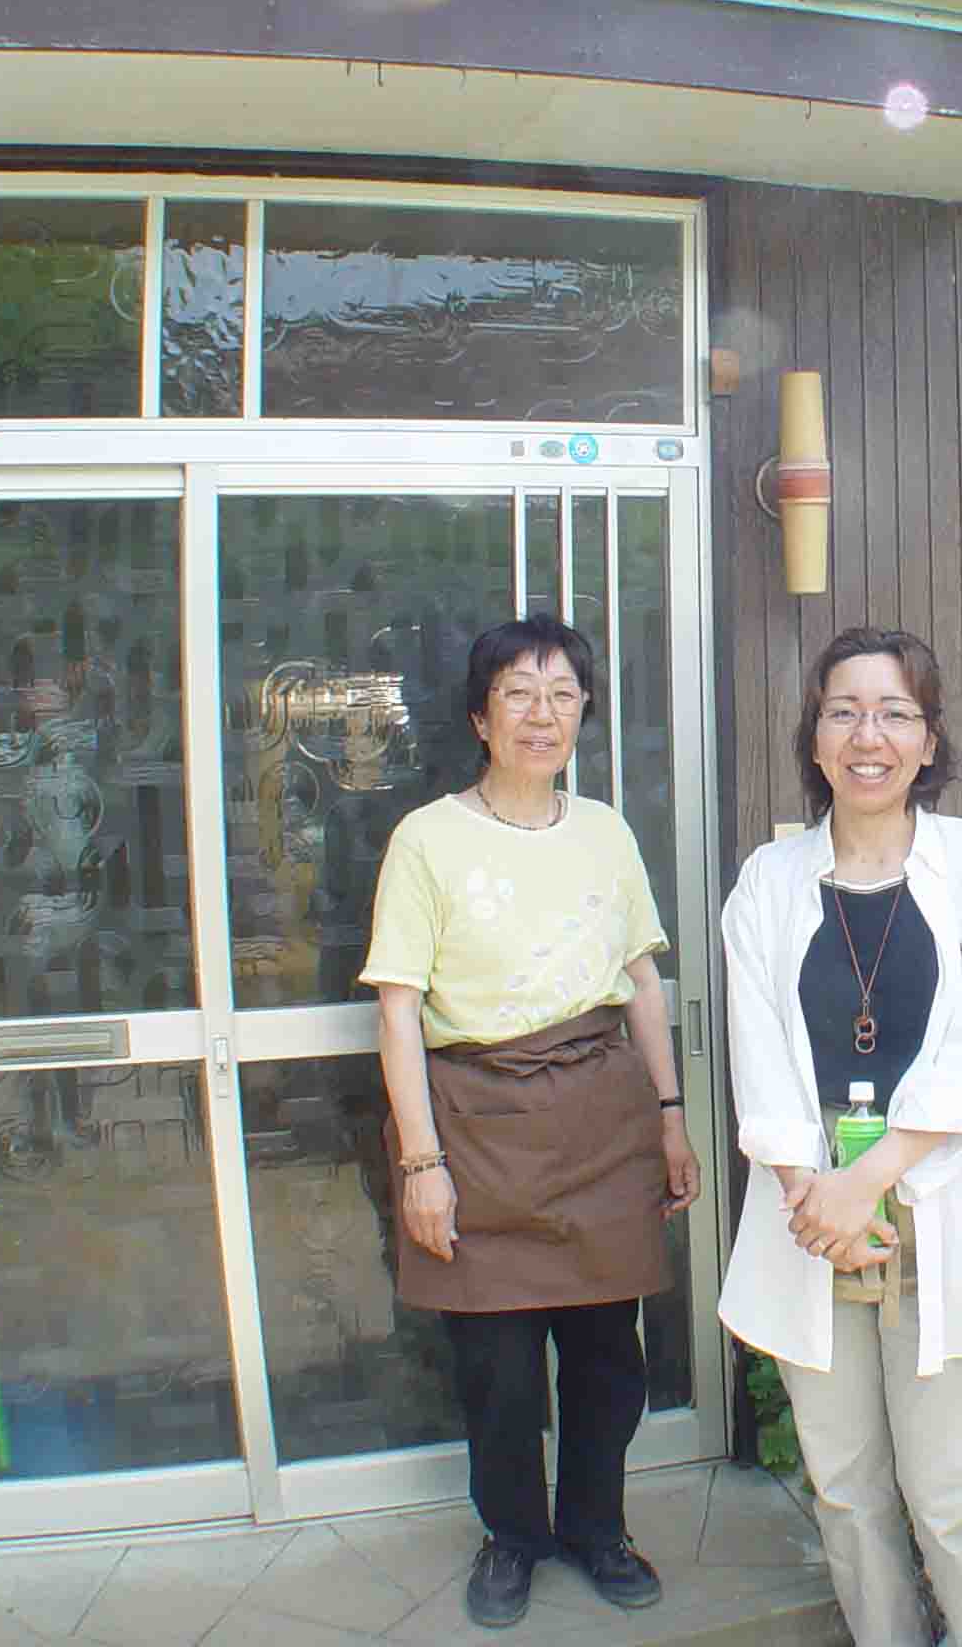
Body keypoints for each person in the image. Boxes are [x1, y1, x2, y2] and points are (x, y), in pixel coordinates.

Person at [360, 612, 700, 1631]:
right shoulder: (426, 839)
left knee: (608, 1362)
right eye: (518, 693)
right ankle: (512, 1537)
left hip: (600, 1123)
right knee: (498, 1374)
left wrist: (670, 1116)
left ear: (584, 711)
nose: (541, 714)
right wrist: (421, 1162)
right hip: (476, 1126)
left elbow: (643, 981)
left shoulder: (605, 832)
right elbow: (397, 1010)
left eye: (561, 694)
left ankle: (597, 1529)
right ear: (480, 717)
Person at [719, 628, 962, 1647]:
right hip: (808, 1202)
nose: (870, 736)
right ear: (814, 738)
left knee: (953, 1490)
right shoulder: (769, 880)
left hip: (937, 1188)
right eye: (844, 712)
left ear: (929, 740)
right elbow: (758, 1059)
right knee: (847, 1486)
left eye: (896, 713)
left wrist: (872, 1182)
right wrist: (817, 1192)